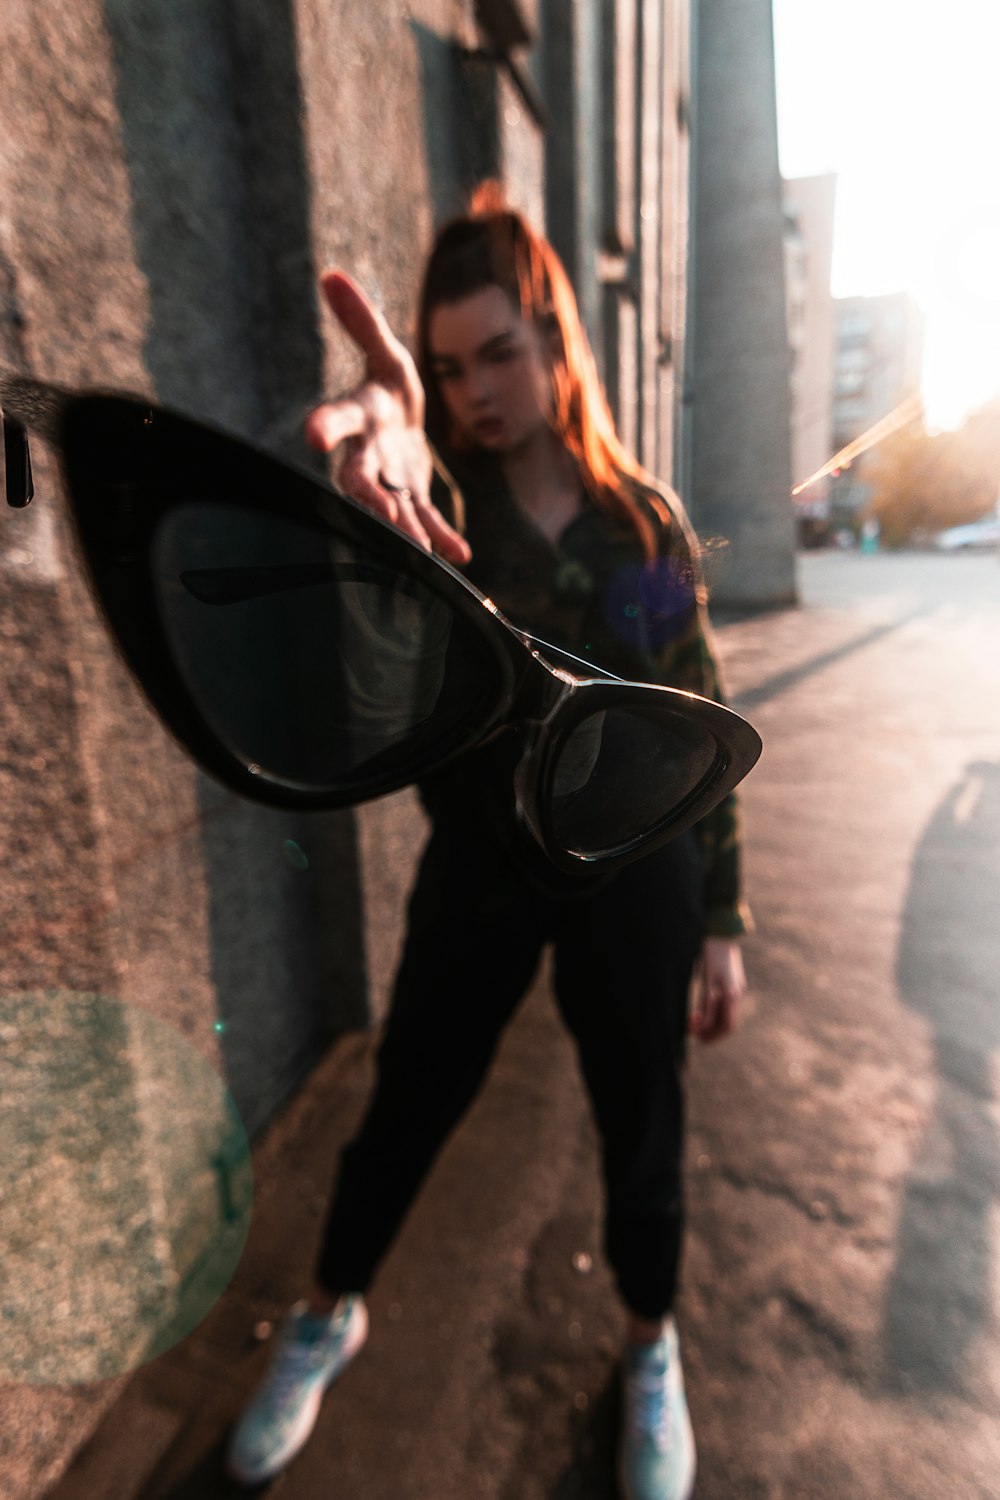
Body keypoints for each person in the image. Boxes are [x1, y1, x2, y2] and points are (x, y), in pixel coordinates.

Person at [226, 183, 751, 1500]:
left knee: (641, 1118)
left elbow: (701, 720)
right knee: (410, 1096)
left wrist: (726, 919)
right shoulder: (437, 525)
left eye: (498, 353)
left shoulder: (646, 527)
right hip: (481, 869)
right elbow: (363, 658)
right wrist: (381, 460)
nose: (473, 390)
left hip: (636, 880)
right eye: (447, 368)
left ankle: (648, 1349)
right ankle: (331, 1309)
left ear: (555, 342)